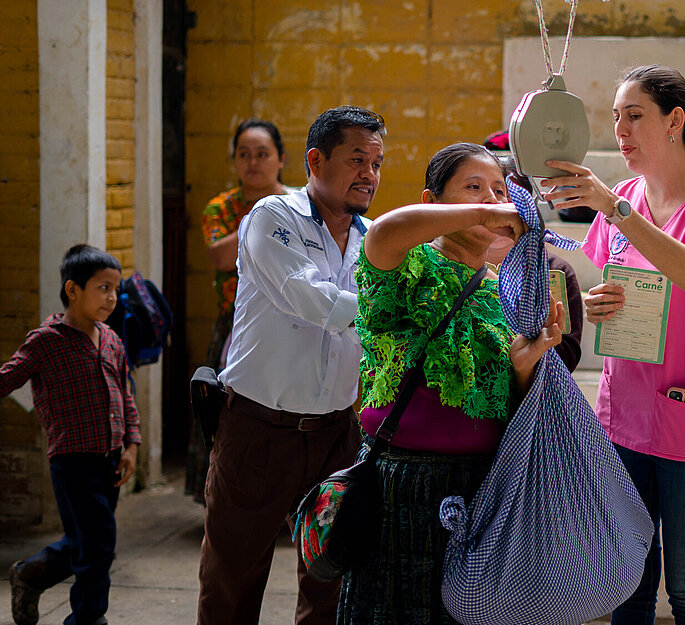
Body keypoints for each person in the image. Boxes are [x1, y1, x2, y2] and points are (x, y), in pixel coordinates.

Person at [540, 65, 685, 625]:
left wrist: (616, 209)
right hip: (625, 414)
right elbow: (620, 282)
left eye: (635, 116)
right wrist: (602, 300)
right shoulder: (625, 197)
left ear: (674, 120)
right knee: (625, 586)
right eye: (615, 118)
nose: (621, 130)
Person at [337, 142, 563, 625]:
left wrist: (526, 361)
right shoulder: (406, 264)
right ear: (434, 201)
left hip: (477, 485)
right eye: (474, 188)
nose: (492, 200)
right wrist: (485, 210)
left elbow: (505, 399)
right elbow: (386, 228)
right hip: (400, 482)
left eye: (500, 191)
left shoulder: (500, 288)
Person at [196, 106, 385, 625]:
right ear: (314, 160)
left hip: (335, 436)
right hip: (258, 430)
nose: (368, 173)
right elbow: (312, 301)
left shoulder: (371, 241)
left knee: (330, 579)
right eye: (356, 159)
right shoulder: (271, 218)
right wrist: (392, 308)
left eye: (376, 162)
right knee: (232, 579)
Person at [2, 244, 141, 625]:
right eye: (103, 288)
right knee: (98, 547)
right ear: (73, 289)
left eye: (116, 289)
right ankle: (87, 619)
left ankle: (32, 573)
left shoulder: (111, 339)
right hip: (72, 462)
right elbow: (7, 377)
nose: (112, 297)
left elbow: (124, 394)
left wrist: (132, 445)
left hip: (111, 460)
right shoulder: (46, 340)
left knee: (89, 542)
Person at [186, 118, 290, 504]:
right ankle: (226, 495)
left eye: (262, 154)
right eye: (244, 155)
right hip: (236, 322)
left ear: (281, 159)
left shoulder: (300, 203)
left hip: (291, 321)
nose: (253, 163)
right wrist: (263, 218)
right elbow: (219, 256)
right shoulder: (222, 208)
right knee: (230, 410)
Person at [488, 153, 585, 371]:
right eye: (478, 189)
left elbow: (568, 356)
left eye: (505, 192)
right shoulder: (448, 264)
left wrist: (538, 338)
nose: (497, 203)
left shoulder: (553, 270)